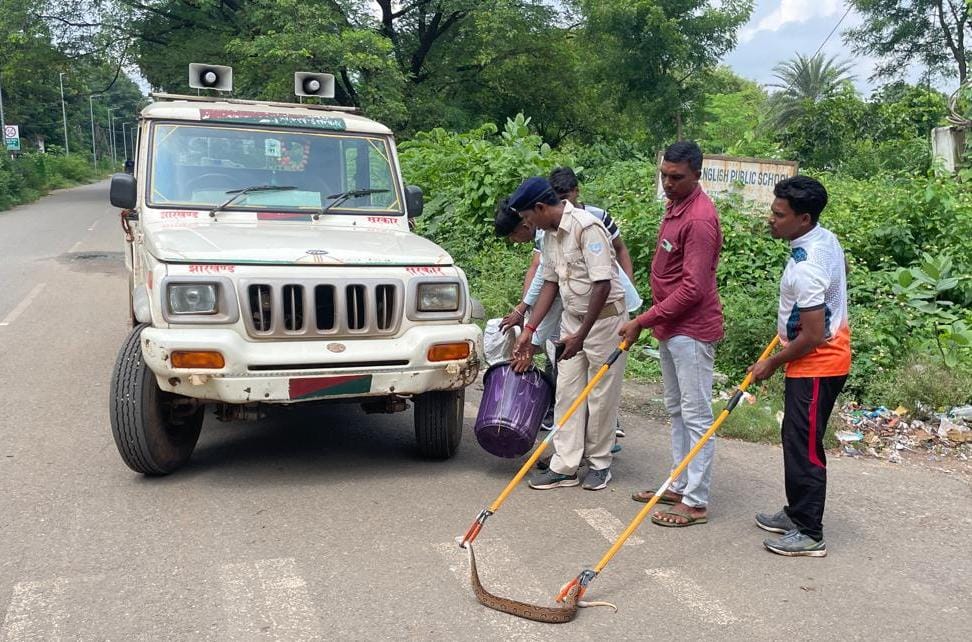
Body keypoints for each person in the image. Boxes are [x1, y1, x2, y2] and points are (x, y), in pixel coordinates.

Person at [619, 140, 724, 527]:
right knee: (677, 409)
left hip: (691, 330)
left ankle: (695, 501)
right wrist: (653, 321)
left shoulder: (698, 218)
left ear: (697, 174)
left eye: (676, 177)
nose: (668, 182)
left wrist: (642, 320)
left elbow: (693, 288)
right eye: (664, 175)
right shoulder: (675, 207)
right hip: (670, 326)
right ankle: (679, 484)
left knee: (697, 416)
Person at [749, 176, 850, 557]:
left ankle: (809, 533)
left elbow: (814, 334)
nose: (771, 219)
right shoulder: (825, 238)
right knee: (796, 440)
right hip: (816, 360)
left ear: (804, 218)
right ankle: (796, 512)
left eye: (779, 214)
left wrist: (772, 362)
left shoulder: (807, 268)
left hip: (818, 364)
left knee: (804, 446)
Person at [500, 167, 641, 438]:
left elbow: (602, 284)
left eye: (528, 217)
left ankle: (598, 462)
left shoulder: (587, 226)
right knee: (566, 393)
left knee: (599, 397)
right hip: (572, 321)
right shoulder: (548, 235)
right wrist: (529, 330)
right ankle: (565, 462)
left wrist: (581, 335)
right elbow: (549, 283)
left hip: (603, 321)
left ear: (540, 208)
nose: (528, 224)